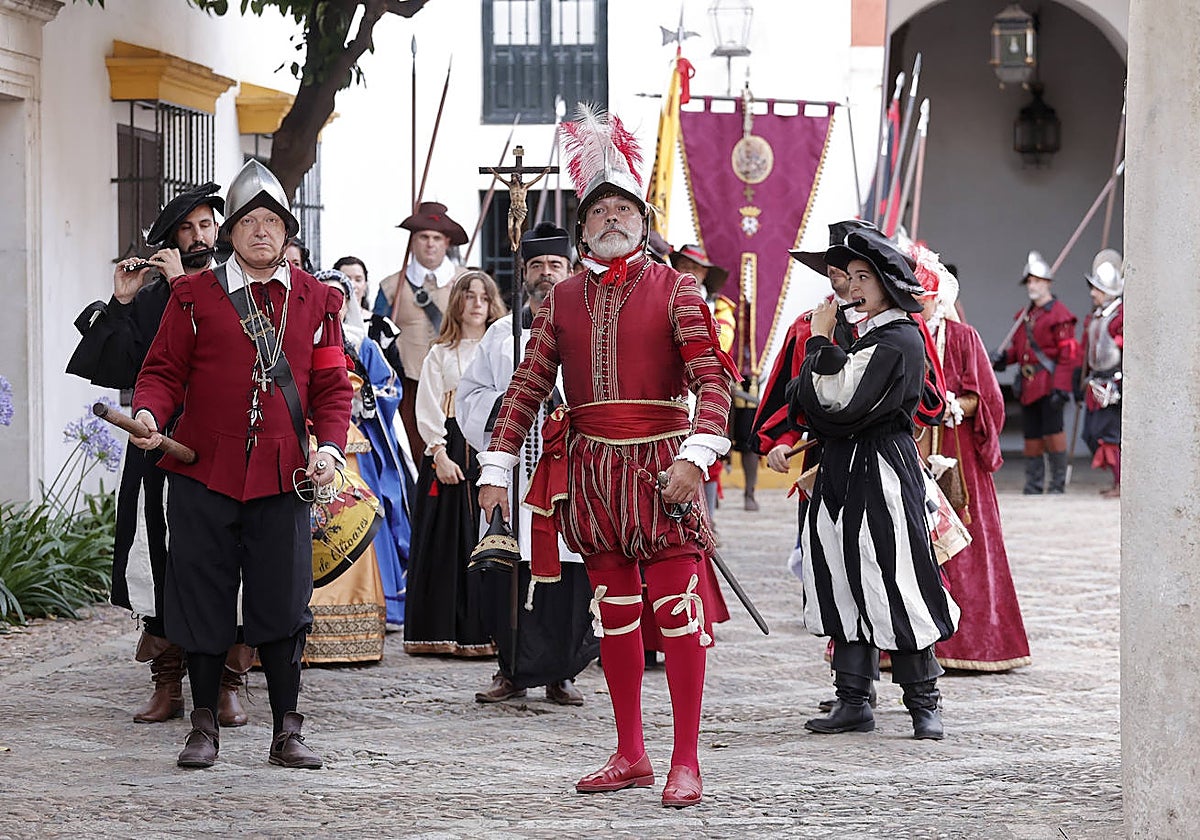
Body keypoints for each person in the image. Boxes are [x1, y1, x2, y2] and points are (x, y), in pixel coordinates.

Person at [477, 106, 738, 808]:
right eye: (599, 209)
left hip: (664, 472)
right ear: (583, 225)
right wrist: (497, 466)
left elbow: (713, 381)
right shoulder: (561, 298)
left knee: (678, 614)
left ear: (642, 221)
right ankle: (630, 753)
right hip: (592, 478)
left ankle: (686, 760)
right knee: (613, 615)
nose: (612, 217)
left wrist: (697, 457)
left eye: (624, 208)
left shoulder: (679, 289)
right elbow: (528, 386)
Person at [130, 159, 352, 769]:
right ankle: (202, 726)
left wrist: (329, 448)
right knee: (202, 598)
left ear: (287, 232)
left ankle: (286, 730)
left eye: (272, 222)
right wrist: (149, 413)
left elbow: (332, 387)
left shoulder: (318, 300)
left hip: (285, 476)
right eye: (249, 221)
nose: (261, 231)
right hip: (203, 471)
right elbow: (162, 372)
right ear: (230, 232)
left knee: (283, 604)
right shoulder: (191, 295)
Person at [66, 181, 254, 728]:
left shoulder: (240, 287)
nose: (198, 237)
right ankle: (167, 682)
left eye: (206, 225)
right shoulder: (151, 299)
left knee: (231, 559)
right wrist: (124, 301)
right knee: (158, 554)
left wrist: (185, 287)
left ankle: (227, 683)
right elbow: (118, 369)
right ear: (171, 239)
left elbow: (246, 354)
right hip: (158, 444)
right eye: (187, 229)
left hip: (226, 445)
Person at [787, 227, 959, 741]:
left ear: (887, 282)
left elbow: (836, 404)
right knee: (841, 577)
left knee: (896, 576)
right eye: (850, 276)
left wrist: (819, 345)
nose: (852, 286)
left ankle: (923, 702)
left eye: (864, 276)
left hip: (882, 467)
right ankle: (852, 699)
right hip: (841, 468)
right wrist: (815, 388)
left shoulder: (899, 337)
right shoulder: (866, 337)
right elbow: (806, 402)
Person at [458, 222, 596, 705]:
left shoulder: (592, 328)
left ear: (571, 270)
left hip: (573, 473)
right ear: (523, 273)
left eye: (555, 264)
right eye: (536, 265)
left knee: (572, 574)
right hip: (514, 472)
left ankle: (563, 673)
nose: (545, 273)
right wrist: (510, 405)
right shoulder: (502, 335)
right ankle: (512, 670)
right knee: (509, 572)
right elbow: (469, 397)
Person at [908, 245, 1031, 672]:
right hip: (911, 448)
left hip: (957, 453)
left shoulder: (963, 338)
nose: (918, 306)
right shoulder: (902, 335)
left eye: (924, 299)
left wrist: (953, 405)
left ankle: (971, 643)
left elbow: (986, 397)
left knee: (967, 540)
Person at [403, 270, 505, 656]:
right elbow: (428, 405)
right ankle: (444, 632)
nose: (477, 304)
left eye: (484, 297)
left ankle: (493, 631)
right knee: (449, 541)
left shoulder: (504, 349)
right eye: (469, 296)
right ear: (457, 302)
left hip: (493, 447)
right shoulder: (441, 353)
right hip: (451, 450)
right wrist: (439, 454)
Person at [320, 268, 414, 629]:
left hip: (359, 446)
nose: (334, 305)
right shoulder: (306, 341)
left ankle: (380, 600)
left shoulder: (363, 344)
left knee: (367, 513)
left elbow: (390, 386)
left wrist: (365, 399)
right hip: (317, 443)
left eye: (340, 298)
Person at [374, 202, 470, 461]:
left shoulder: (466, 282)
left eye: (436, 238)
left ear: (446, 242)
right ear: (413, 242)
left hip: (455, 385)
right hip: (409, 385)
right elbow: (378, 339)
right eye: (423, 237)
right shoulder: (391, 286)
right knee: (412, 454)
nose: (430, 244)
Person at [991, 251, 1079, 495]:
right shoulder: (1026, 316)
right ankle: (1034, 484)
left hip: (1049, 383)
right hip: (1028, 385)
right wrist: (1003, 358)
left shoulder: (1059, 315)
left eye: (1037, 281)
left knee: (1053, 434)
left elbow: (1068, 356)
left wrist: (1061, 388)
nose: (1032, 286)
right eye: (1029, 281)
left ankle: (1057, 484)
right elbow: (1020, 350)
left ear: (1047, 283)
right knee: (1032, 436)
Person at [670, 245, 734, 525]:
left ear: (705, 273)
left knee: (709, 458)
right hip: (672, 392)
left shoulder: (719, 308)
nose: (688, 273)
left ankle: (706, 521)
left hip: (705, 387)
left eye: (694, 268)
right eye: (683, 266)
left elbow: (722, 344)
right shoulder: (664, 299)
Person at [1079, 251, 1124, 498]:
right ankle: (1117, 481)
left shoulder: (1121, 316)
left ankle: (1121, 483)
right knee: (1092, 433)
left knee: (1110, 435)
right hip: (1097, 379)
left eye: (1097, 288)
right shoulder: (1096, 316)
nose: (1092, 293)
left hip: (1115, 380)